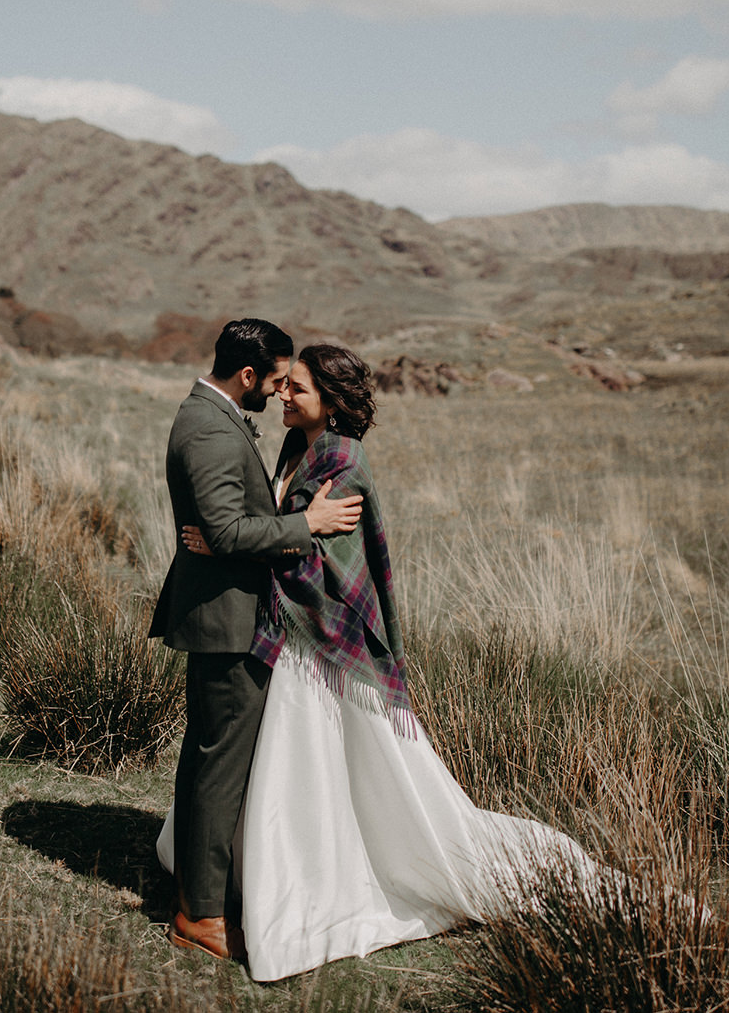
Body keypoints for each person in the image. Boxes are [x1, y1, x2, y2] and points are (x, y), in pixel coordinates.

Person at [165, 343, 604, 982]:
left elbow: (318, 566)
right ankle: (239, 877)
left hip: (317, 642)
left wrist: (229, 543)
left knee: (315, 779)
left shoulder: (343, 461)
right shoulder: (296, 448)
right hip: (286, 640)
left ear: (332, 404)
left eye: (300, 389)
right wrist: (238, 536)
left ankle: (304, 885)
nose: (285, 396)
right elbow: (283, 525)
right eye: (284, 387)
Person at [149, 320, 363, 962]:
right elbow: (224, 526)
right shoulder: (213, 428)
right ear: (247, 374)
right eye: (274, 381)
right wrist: (309, 521)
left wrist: (236, 529)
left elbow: (225, 526)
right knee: (218, 767)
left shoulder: (213, 417)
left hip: (233, 611)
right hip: (230, 618)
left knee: (208, 759)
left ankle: (202, 891)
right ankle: (202, 915)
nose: (276, 395)